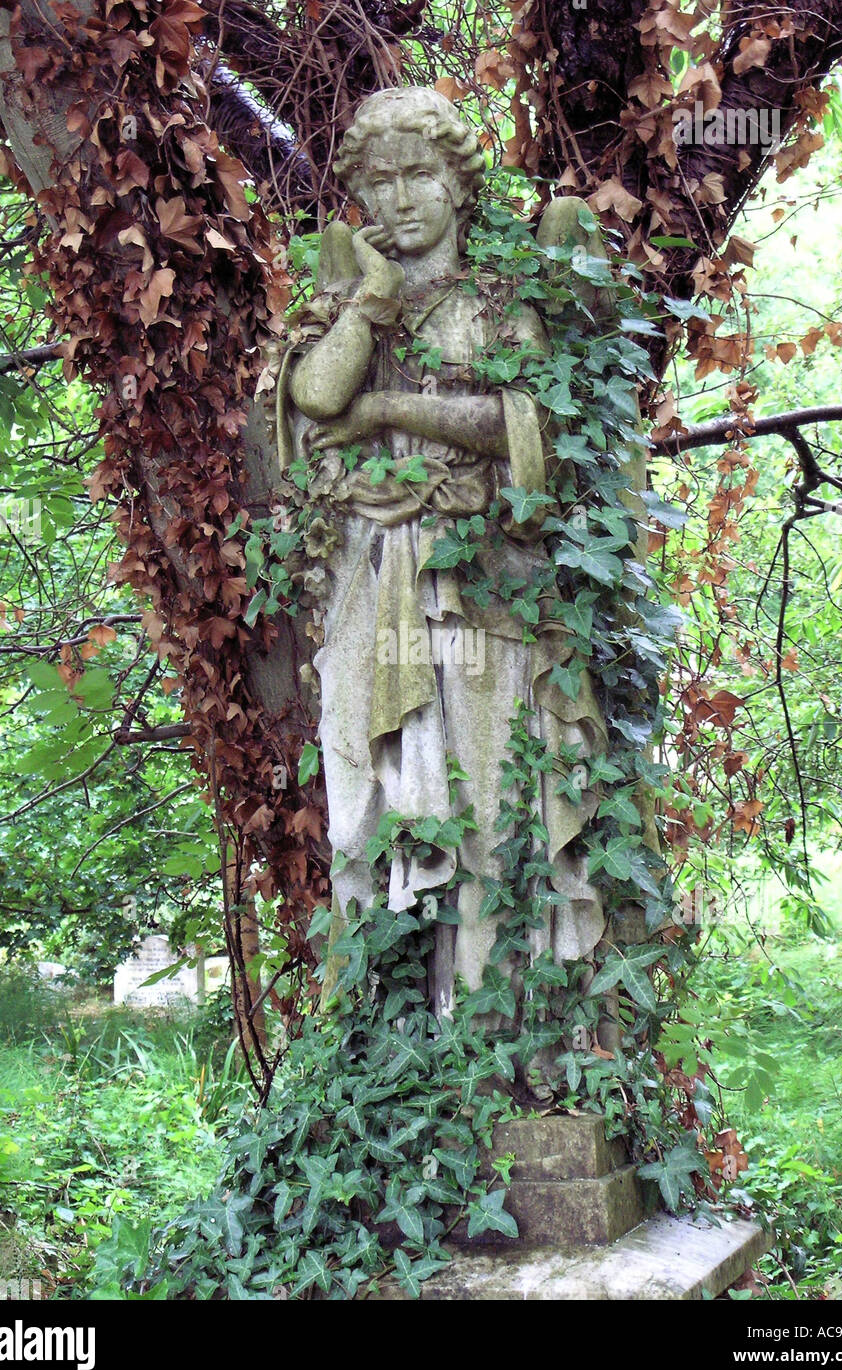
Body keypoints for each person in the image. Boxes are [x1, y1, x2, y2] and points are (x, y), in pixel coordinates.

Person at [278, 87, 611, 1016]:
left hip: (480, 583)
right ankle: (399, 1030)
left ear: (459, 186)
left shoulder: (497, 306)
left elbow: (523, 426)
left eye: (420, 174)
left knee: (487, 802)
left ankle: (493, 1023)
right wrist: (373, 301)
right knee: (374, 803)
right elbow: (317, 396)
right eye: (379, 183)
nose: (400, 199)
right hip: (372, 576)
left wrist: (389, 409)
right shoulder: (354, 307)